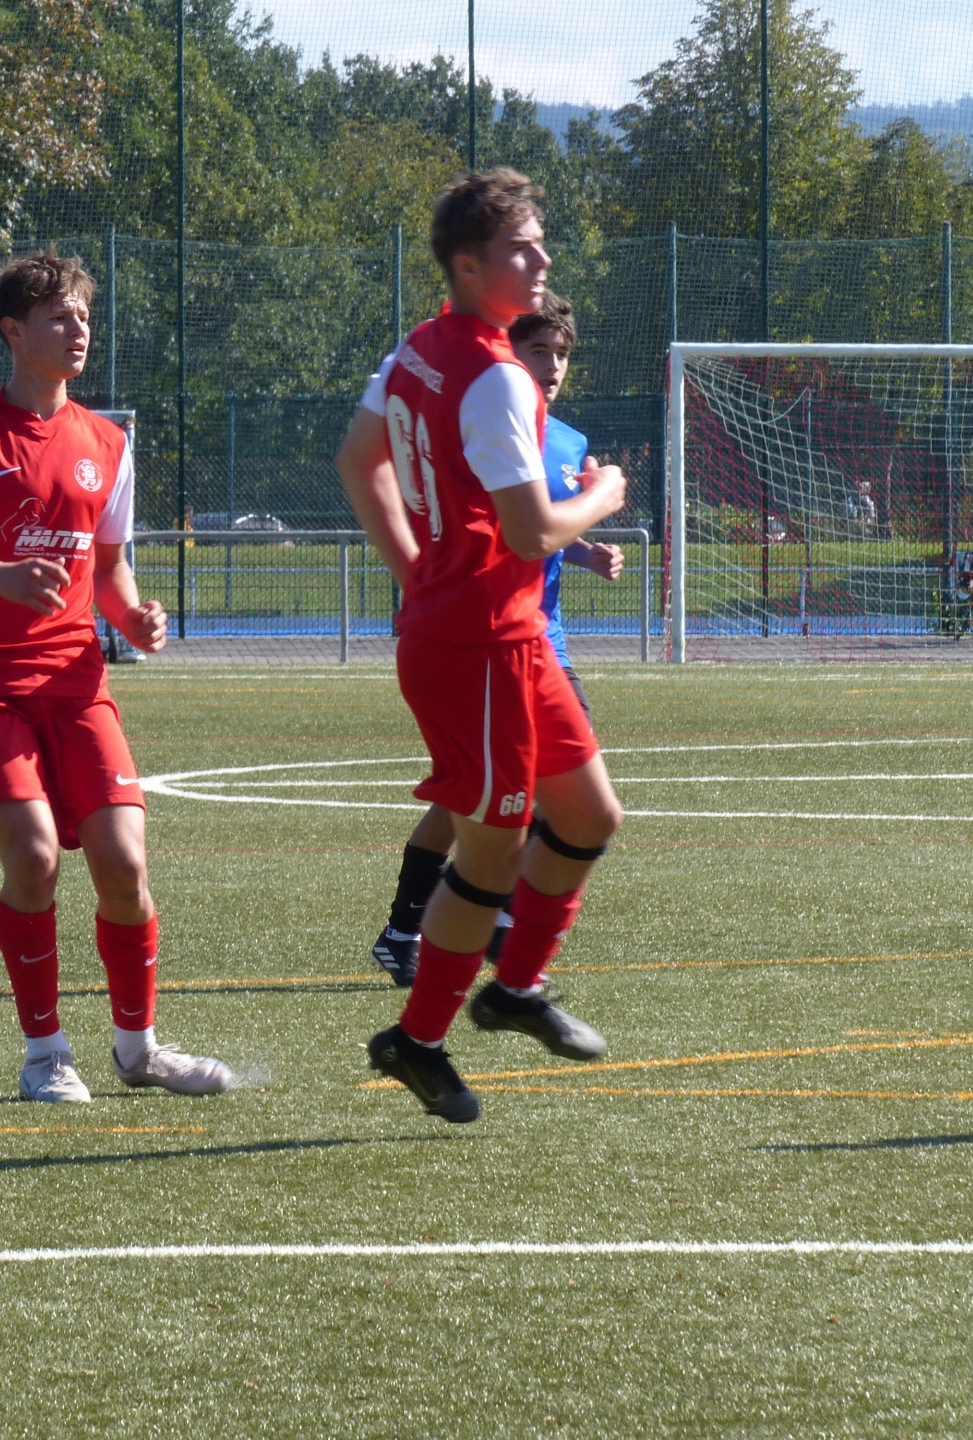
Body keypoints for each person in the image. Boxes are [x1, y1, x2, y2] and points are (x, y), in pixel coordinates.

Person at [0, 248, 230, 1105]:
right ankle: (45, 1054)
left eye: (83, 315)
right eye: (58, 317)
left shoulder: (107, 443)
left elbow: (108, 569)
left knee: (124, 862)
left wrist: (135, 618)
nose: (78, 330)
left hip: (78, 680)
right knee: (34, 857)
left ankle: (139, 1049)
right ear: (14, 332)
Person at [335, 170, 628, 1123]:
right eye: (520, 248)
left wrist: (413, 569)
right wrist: (605, 495)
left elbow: (358, 459)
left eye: (539, 243)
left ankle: (514, 991)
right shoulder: (496, 376)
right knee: (491, 856)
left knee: (588, 816)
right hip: (480, 646)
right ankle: (416, 1041)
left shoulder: (419, 346)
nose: (541, 260)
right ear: (468, 266)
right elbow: (533, 532)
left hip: (505, 633)